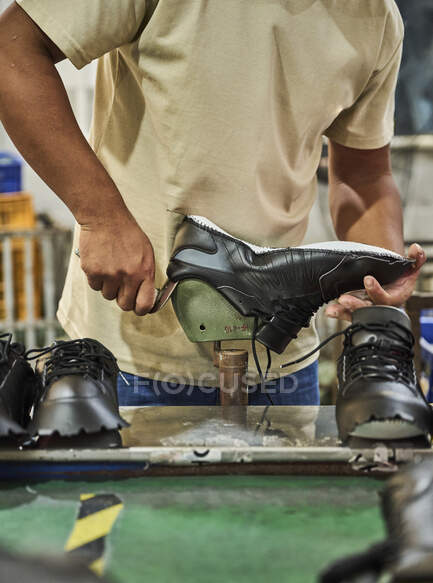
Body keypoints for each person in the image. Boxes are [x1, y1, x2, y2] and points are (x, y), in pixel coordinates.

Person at [0, 0, 425, 407]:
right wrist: (100, 217)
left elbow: (364, 175)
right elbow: (11, 50)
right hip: (129, 355)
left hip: (283, 360)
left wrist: (380, 270)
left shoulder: (375, 15)